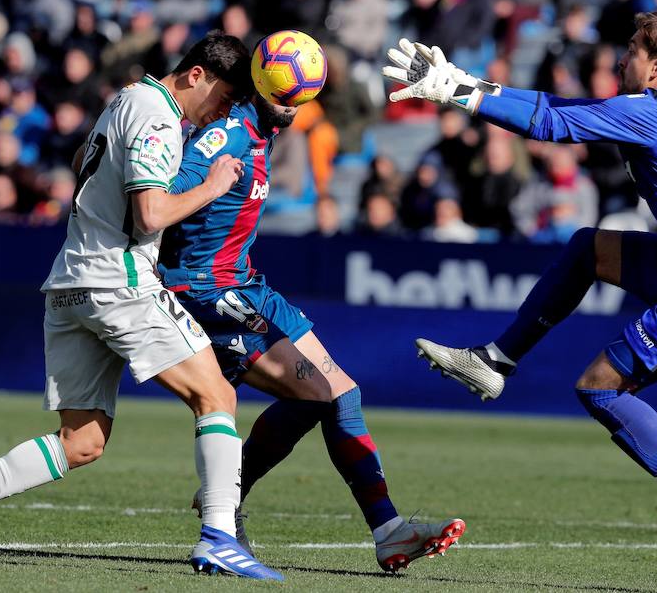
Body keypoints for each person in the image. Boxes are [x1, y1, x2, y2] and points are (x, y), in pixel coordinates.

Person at [383, 11, 657, 583]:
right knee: (589, 249)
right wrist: (467, 84)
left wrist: (457, 91)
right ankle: (496, 361)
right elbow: (555, 111)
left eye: (631, 50)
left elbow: (549, 123)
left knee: (599, 387)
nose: (618, 59)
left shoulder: (648, 116)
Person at [0, 32, 283, 581]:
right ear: (197, 75)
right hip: (118, 280)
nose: (226, 111)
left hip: (70, 282)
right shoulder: (159, 116)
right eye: (226, 98)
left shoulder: (126, 97)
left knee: (82, 443)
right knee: (217, 394)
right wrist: (211, 185)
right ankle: (220, 537)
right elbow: (151, 214)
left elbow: (84, 161)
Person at [159, 49, 466, 574]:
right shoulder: (225, 135)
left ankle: (386, 531)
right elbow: (161, 198)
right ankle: (232, 507)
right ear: (261, 85)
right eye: (284, 97)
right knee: (322, 394)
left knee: (339, 394)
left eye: (300, 98)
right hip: (211, 293)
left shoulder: (264, 127)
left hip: (247, 285)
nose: (292, 107)